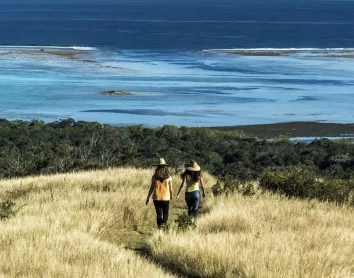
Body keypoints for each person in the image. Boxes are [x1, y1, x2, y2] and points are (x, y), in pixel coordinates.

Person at [146, 158, 173, 229]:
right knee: (165, 213)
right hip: (165, 198)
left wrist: (148, 197)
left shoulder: (154, 177)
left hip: (156, 197)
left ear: (157, 167)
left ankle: (159, 228)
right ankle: (163, 225)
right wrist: (171, 195)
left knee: (159, 213)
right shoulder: (169, 177)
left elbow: (151, 188)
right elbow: (171, 188)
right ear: (165, 167)